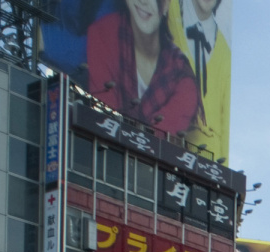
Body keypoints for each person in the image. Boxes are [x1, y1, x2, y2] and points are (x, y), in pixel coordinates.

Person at [85, 0, 201, 139]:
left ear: (166, 5)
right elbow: (101, 116)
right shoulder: (103, 33)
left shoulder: (183, 77)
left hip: (144, 157)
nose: (144, 1)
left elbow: (157, 140)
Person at [173, 0, 228, 158]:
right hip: (161, 134)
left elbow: (224, 129)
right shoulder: (168, 15)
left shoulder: (224, 53)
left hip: (205, 154)